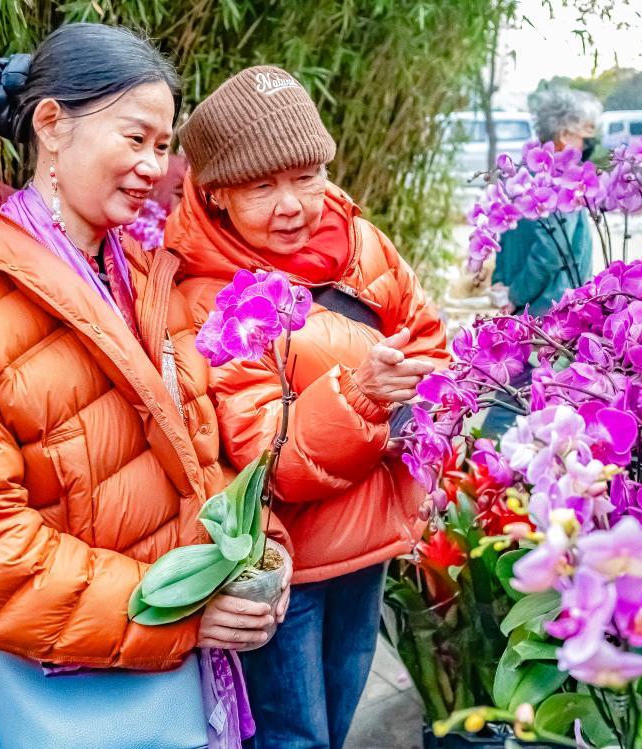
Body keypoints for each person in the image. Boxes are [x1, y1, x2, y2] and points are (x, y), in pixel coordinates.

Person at [0, 23, 286, 746]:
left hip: (171, 667)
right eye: (134, 137)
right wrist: (172, 609)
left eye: (162, 145)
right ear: (52, 125)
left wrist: (260, 552)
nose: (153, 165)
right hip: (70, 684)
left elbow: (204, 457)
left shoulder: (144, 276)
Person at [165, 65, 449, 749]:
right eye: (262, 185)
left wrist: (416, 407)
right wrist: (363, 396)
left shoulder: (359, 242)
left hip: (372, 539)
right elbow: (270, 460)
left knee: (342, 710)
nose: (291, 204)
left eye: (305, 176)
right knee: (292, 735)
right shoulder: (204, 296)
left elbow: (432, 347)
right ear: (218, 193)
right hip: (289, 564)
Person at [489, 87, 601, 317]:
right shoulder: (559, 182)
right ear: (564, 135)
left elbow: (504, 235)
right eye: (585, 136)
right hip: (550, 313)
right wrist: (515, 295)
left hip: (525, 310)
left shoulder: (523, 176)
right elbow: (551, 252)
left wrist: (502, 286)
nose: (588, 145)